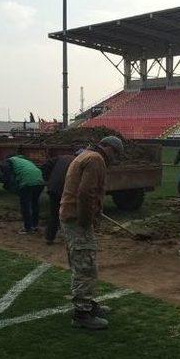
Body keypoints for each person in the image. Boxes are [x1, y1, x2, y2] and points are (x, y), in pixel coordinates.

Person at [60, 136, 124, 330]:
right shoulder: (96, 159)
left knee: (82, 262)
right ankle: (82, 313)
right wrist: (88, 220)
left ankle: (88, 304)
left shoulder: (85, 155)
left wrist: (95, 208)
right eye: (116, 155)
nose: (114, 160)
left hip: (70, 215)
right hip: (78, 220)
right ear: (110, 149)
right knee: (85, 265)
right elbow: (86, 192)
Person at [4, 155, 45, 234]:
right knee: (34, 203)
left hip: (27, 182)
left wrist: (8, 185)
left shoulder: (9, 161)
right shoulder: (25, 161)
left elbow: (8, 175)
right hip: (40, 181)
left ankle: (28, 228)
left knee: (25, 205)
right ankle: (35, 225)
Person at [41, 154, 75, 244]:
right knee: (69, 214)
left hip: (53, 189)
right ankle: (70, 237)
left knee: (54, 214)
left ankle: (49, 237)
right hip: (65, 190)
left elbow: (45, 165)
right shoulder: (78, 162)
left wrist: (48, 179)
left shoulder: (61, 157)